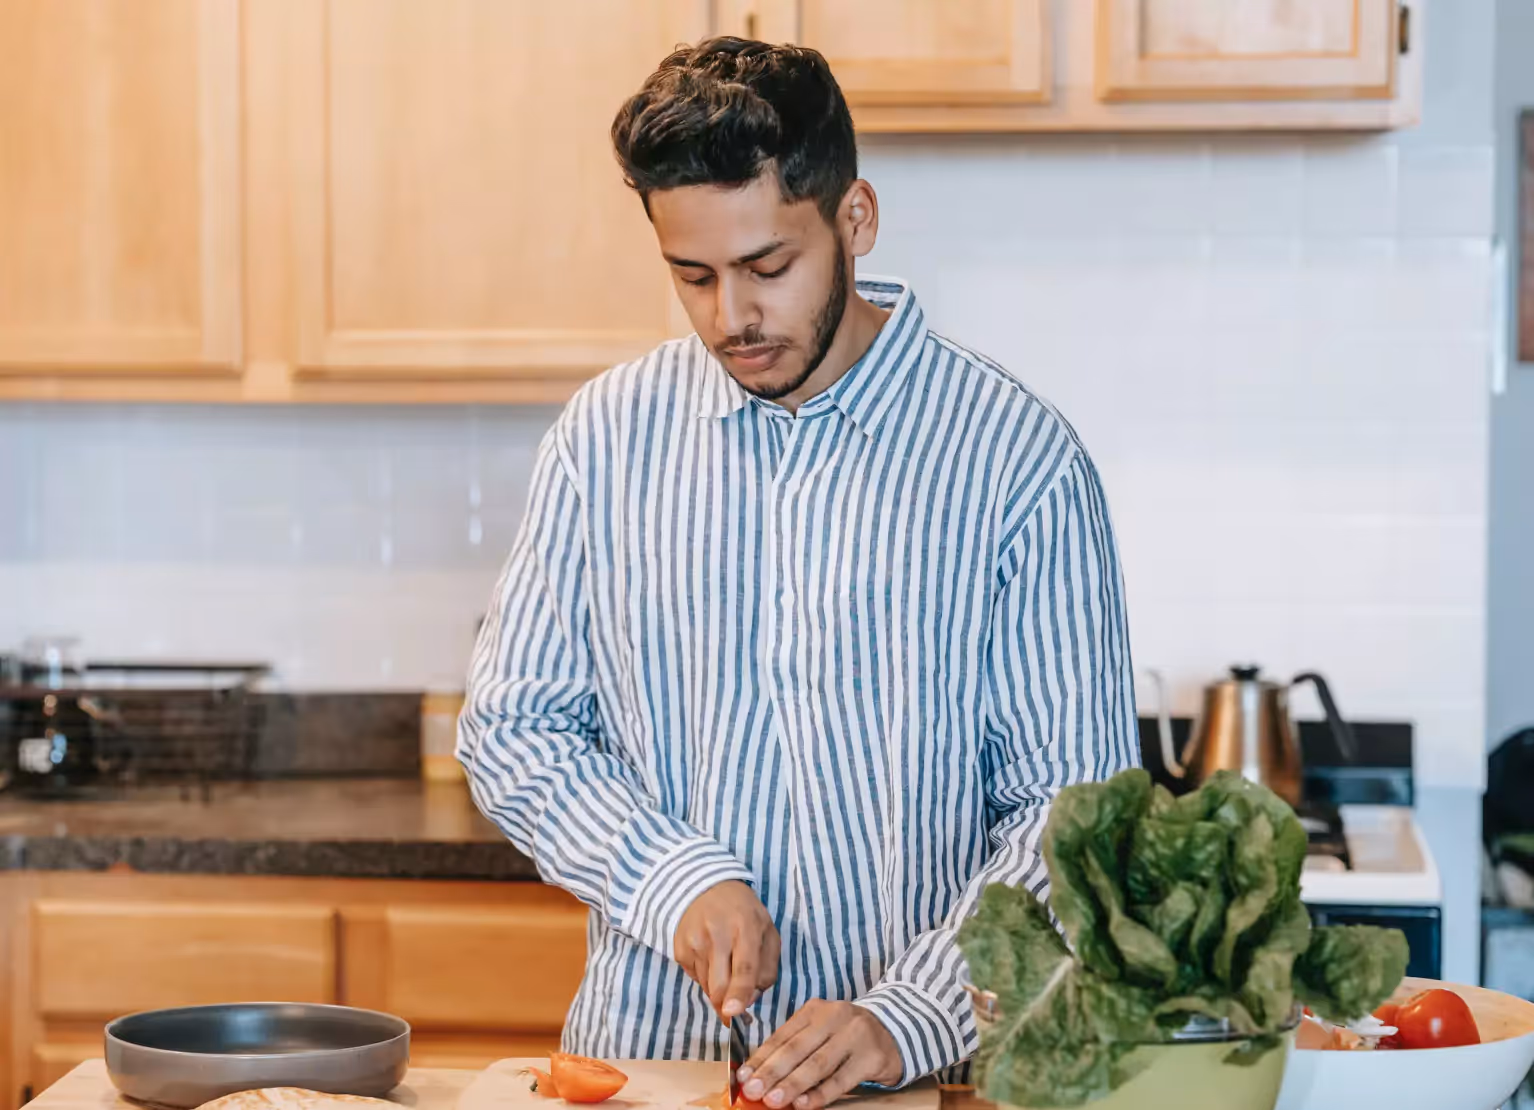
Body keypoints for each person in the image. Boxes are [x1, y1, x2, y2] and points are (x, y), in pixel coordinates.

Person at [458, 35, 1139, 1110]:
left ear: (853, 219)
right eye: (693, 276)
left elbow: (1075, 817)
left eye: (768, 268)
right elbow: (513, 730)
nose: (731, 317)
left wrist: (901, 1017)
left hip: (929, 1082)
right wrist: (675, 879)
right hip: (650, 1071)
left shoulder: (1016, 462)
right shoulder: (605, 438)